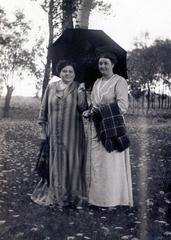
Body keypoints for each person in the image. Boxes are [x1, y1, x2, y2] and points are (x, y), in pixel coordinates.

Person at [31, 60, 88, 208]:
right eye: (64, 71)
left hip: (73, 133)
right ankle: (56, 196)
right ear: (59, 72)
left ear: (74, 74)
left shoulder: (78, 87)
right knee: (55, 163)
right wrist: (43, 132)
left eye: (70, 71)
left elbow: (83, 109)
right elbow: (43, 111)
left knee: (72, 163)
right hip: (54, 134)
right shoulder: (51, 87)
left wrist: (82, 93)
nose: (67, 74)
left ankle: (73, 198)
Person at [83, 52, 133, 208]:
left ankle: (112, 200)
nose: (102, 66)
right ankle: (98, 199)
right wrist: (89, 111)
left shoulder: (120, 81)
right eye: (100, 63)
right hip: (96, 126)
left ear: (113, 64)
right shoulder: (97, 82)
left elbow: (123, 106)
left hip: (112, 126)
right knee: (98, 162)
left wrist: (99, 111)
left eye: (105, 63)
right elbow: (94, 104)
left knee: (111, 162)